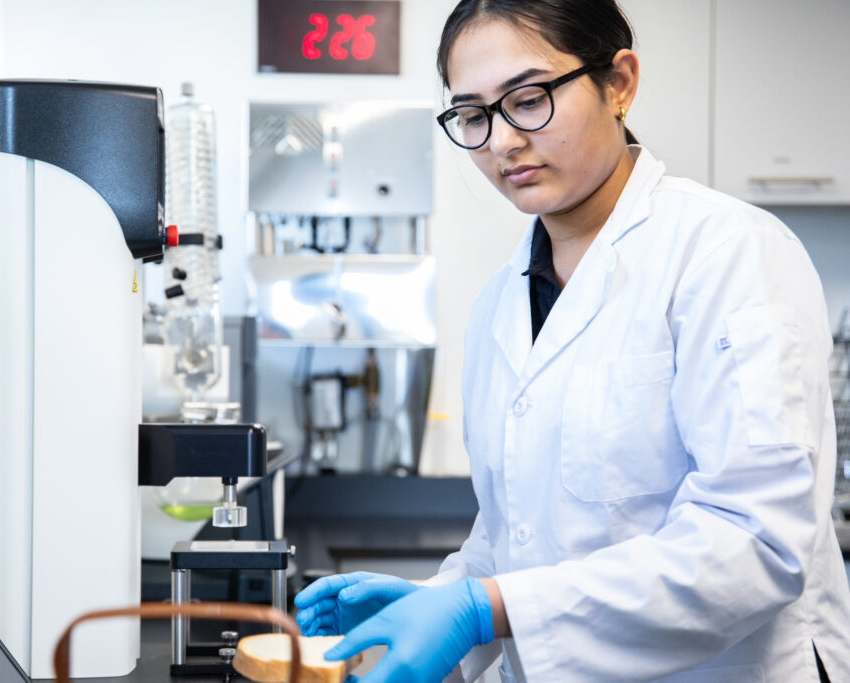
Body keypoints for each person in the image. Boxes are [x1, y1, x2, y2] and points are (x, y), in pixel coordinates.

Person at [292, 1, 850, 681]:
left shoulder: (728, 253)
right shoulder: (501, 303)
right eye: (473, 115)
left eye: (528, 100)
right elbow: (516, 534)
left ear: (619, 83)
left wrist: (484, 607)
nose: (501, 141)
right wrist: (436, 601)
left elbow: (755, 542)